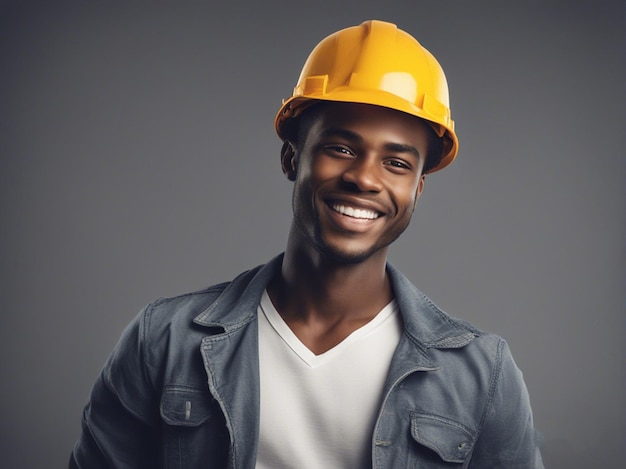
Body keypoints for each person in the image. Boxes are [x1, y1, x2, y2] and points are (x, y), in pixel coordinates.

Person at [69, 19, 544, 468]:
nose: (363, 178)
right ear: (290, 157)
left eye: (397, 164)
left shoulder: (482, 375)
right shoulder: (165, 340)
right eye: (341, 148)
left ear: (417, 189)